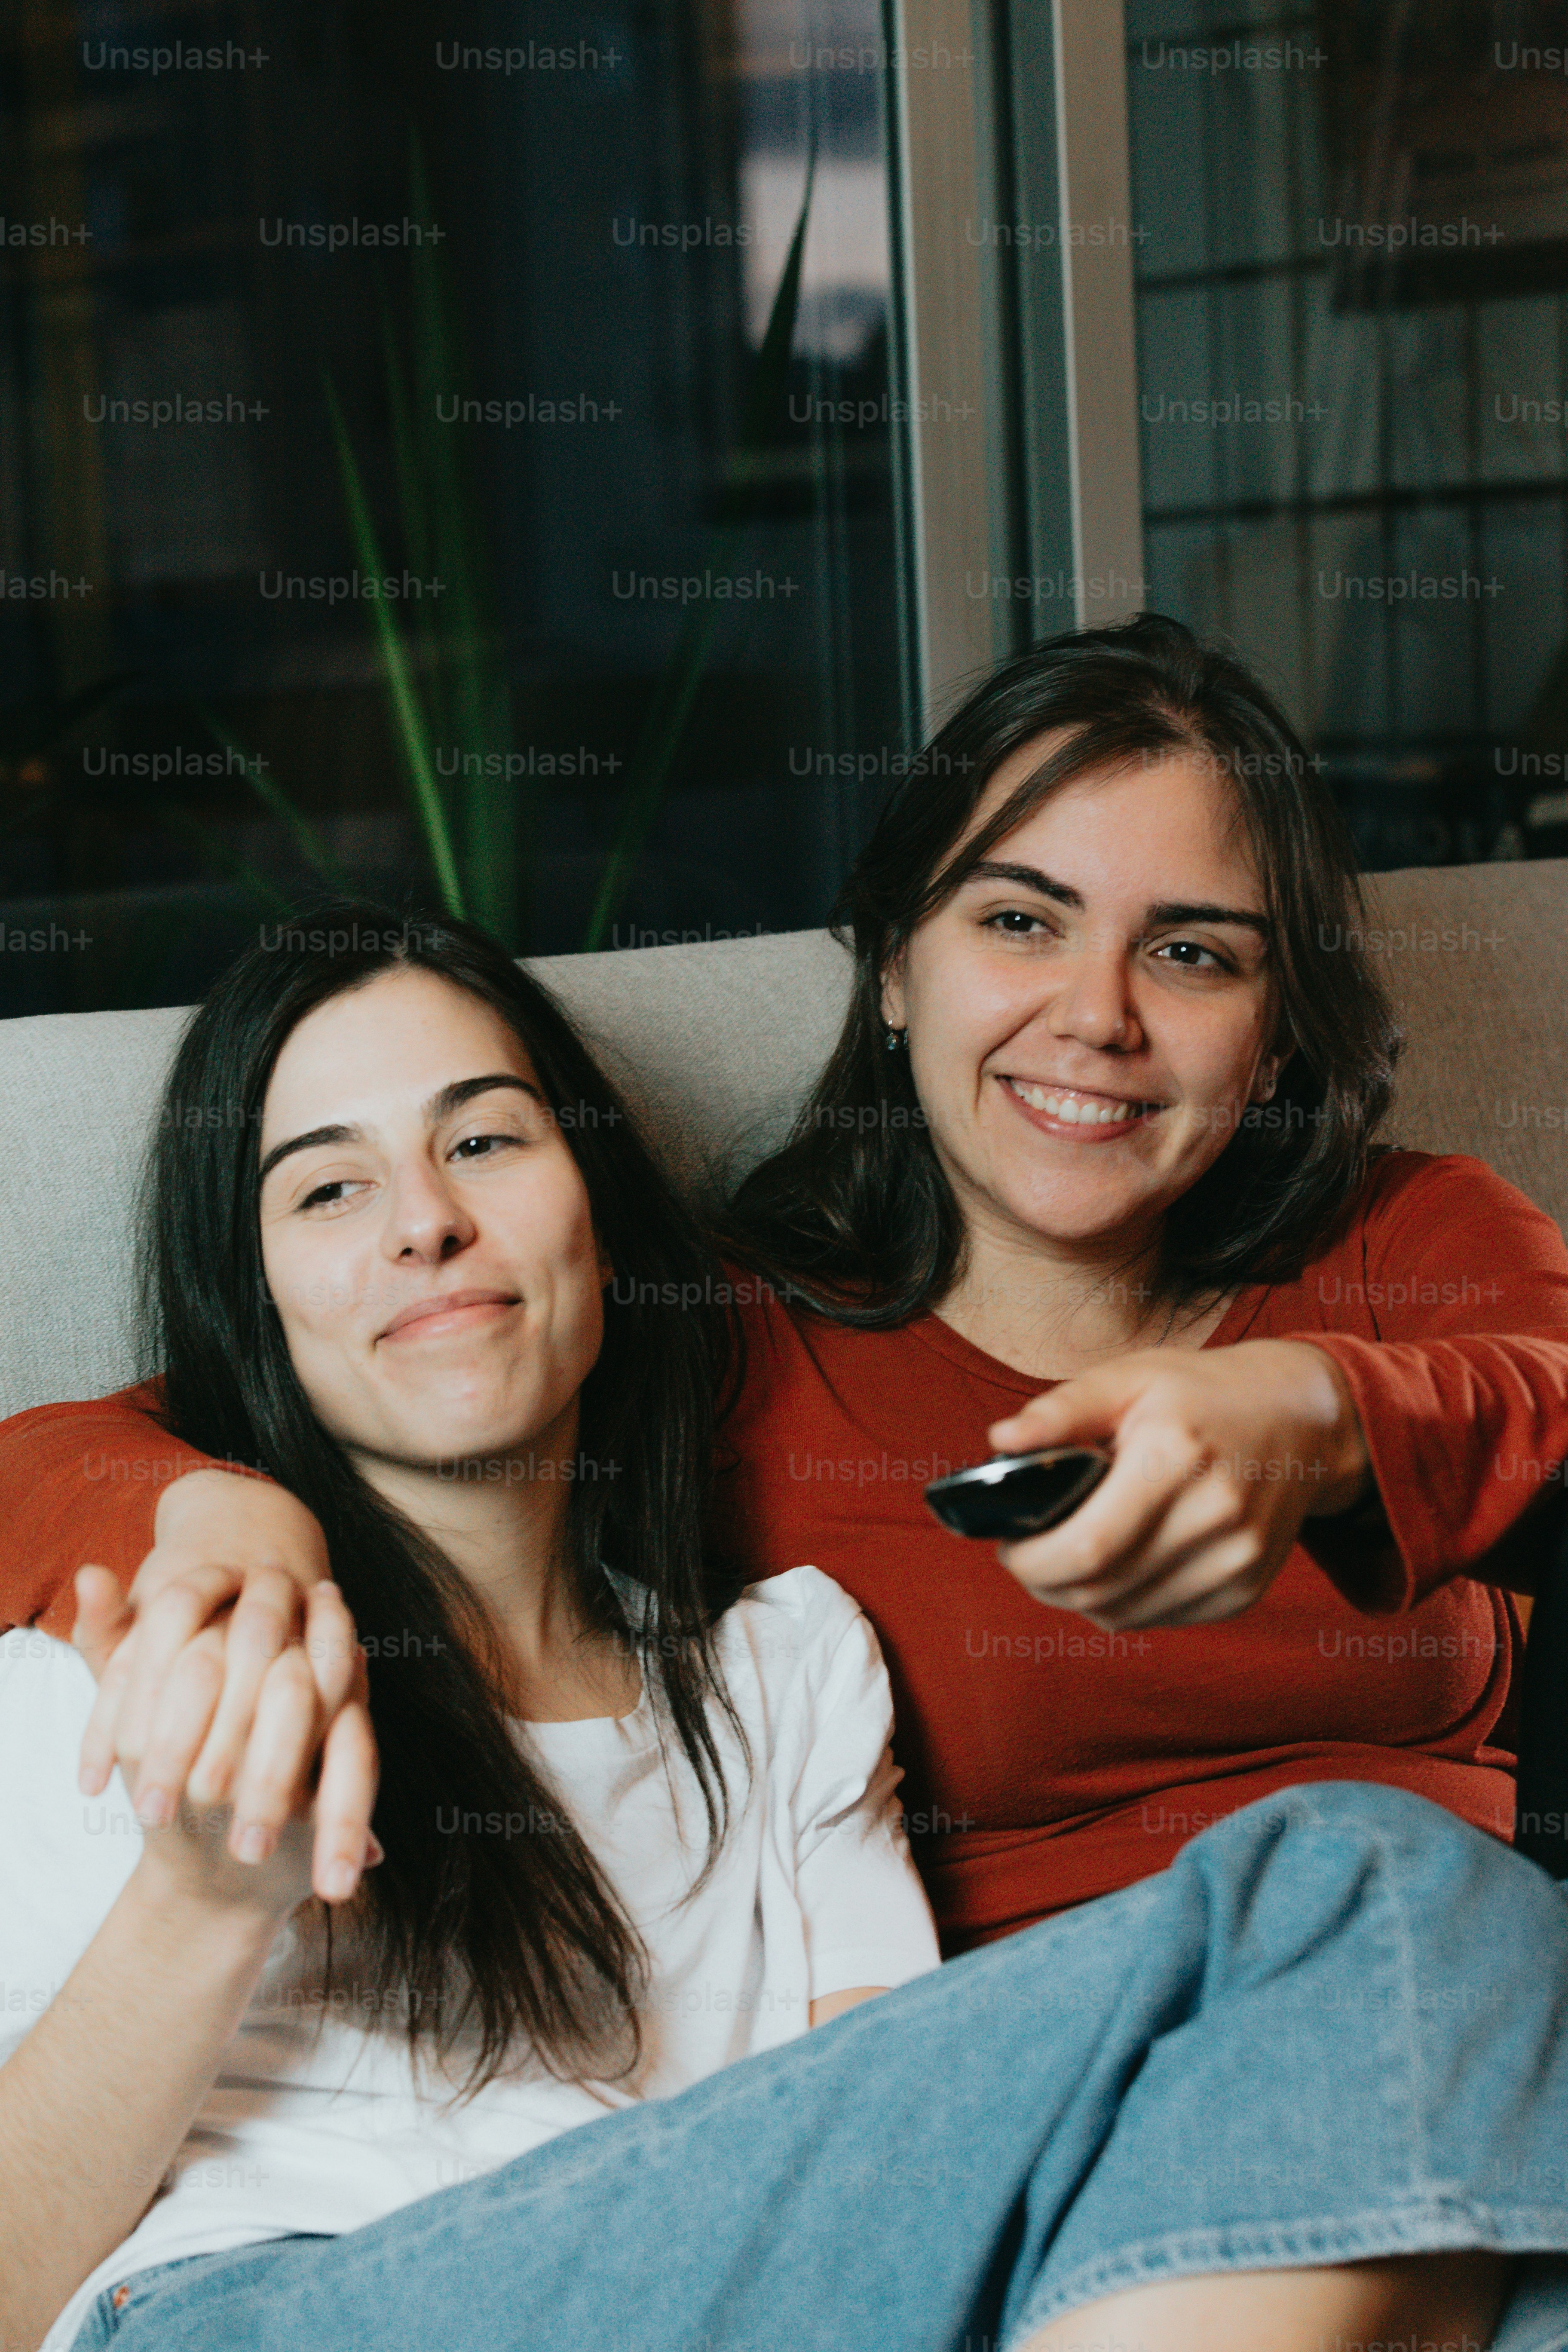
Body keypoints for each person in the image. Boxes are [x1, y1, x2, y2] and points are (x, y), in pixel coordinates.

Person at [9, 916, 1565, 2352]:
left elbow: (887, 2203)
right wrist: (207, 1897)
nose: (427, 1223)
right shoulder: (124, 1660)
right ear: (256, 1292)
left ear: (600, 1217)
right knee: (1375, 1886)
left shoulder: (791, 1672)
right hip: (259, 2309)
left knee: (1397, 2065)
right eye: (329, 1187)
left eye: (485, 1138)